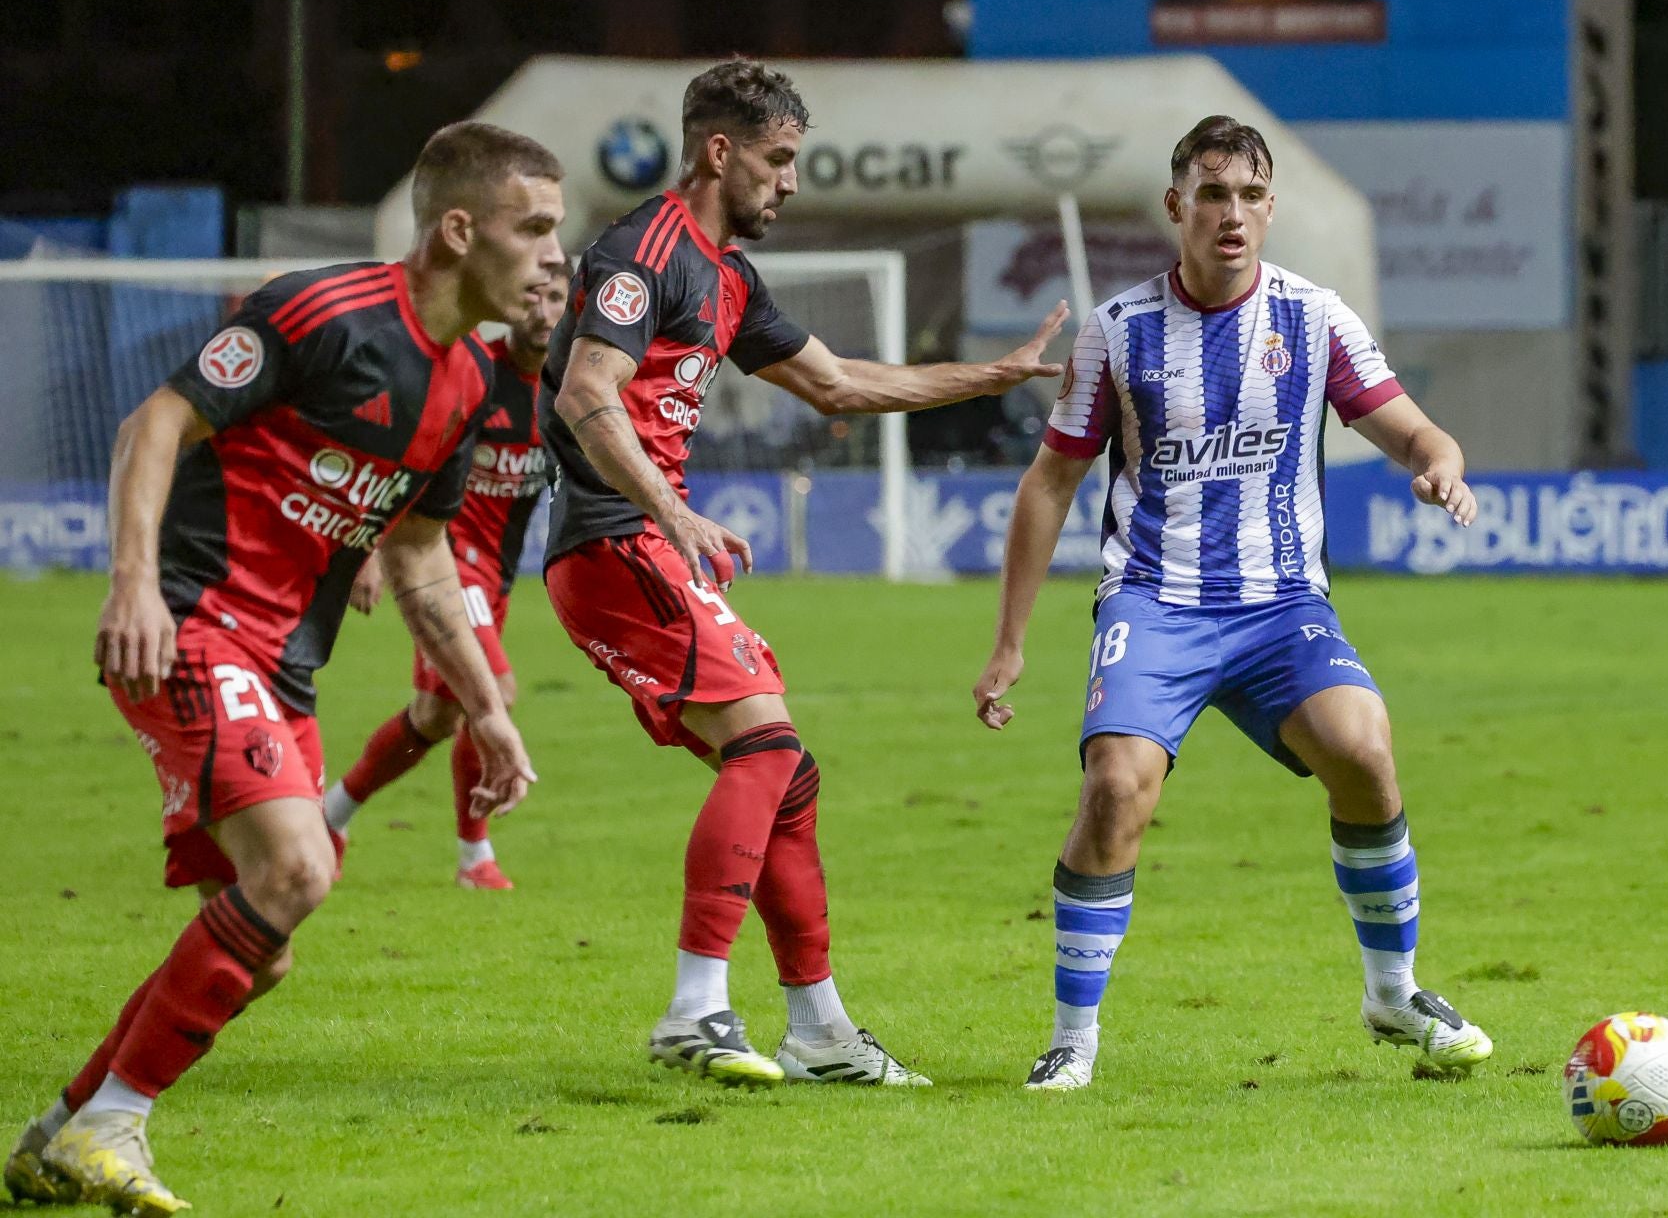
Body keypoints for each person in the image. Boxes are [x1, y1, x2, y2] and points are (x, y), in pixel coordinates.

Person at [5, 122, 559, 1214]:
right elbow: (152, 423)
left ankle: (59, 1131)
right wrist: (130, 583)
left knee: (262, 951)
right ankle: (115, 1123)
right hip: (189, 624)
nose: (552, 256)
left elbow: (420, 558)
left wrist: (490, 710)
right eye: (533, 228)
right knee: (297, 868)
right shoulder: (328, 310)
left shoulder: (464, 386)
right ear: (459, 229)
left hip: (281, 664)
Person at [541, 58, 1066, 1089]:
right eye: (777, 161)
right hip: (615, 541)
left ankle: (819, 1027)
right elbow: (583, 391)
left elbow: (837, 384)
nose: (788, 183)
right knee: (769, 743)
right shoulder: (643, 248)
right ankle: (696, 1006)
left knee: (785, 772)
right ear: (719, 150)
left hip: (640, 543)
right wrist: (671, 507)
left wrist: (991, 375)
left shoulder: (727, 277)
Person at [971, 115, 1495, 1093]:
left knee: (1365, 745)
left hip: (1281, 603)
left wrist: (1440, 467)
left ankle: (1394, 990)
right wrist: (1009, 642)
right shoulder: (1117, 333)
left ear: (1270, 207)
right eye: (1213, 195)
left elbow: (1420, 432)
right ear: (1176, 206)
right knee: (1117, 788)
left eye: (1252, 195)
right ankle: (1072, 1038)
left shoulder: (1316, 318)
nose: (1233, 215)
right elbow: (1050, 484)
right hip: (1155, 598)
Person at [322, 266, 568, 890]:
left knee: (434, 714)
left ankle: (331, 814)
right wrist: (371, 548)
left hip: (500, 574)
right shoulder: (477, 375)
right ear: (511, 304)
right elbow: (408, 455)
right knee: (495, 692)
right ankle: (473, 857)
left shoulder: (572, 387)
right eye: (532, 295)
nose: (542, 310)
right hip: (449, 562)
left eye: (557, 298)